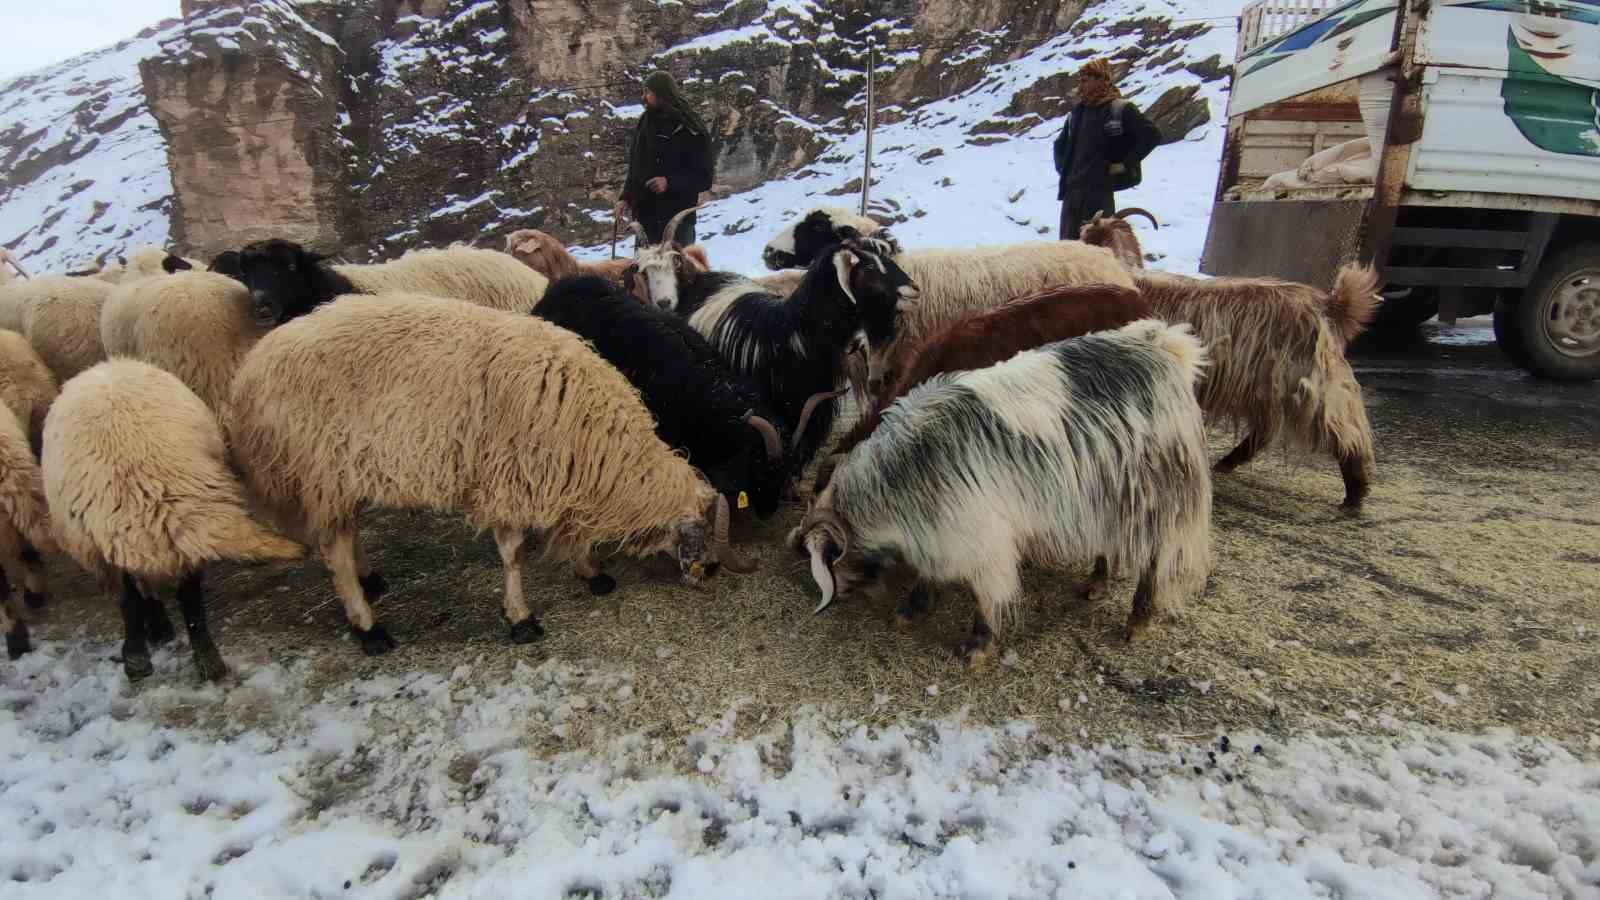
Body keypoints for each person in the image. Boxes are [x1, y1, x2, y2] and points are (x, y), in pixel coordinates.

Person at [1053, 59, 1162, 240]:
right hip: (1072, 194)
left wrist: (1124, 164)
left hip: (1099, 192)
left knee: (1096, 249)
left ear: (1101, 80)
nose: (1081, 84)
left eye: (1086, 79)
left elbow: (1151, 135)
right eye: (1081, 79)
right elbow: (1059, 146)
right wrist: (1065, 170)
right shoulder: (1076, 114)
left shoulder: (1119, 109)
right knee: (1067, 251)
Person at [616, 71, 714, 247]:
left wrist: (668, 182)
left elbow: (704, 179)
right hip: (646, 221)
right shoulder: (645, 122)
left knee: (677, 274)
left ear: (662, 95)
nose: (644, 97)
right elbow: (636, 168)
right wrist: (625, 197)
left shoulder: (690, 127)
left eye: (649, 93)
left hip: (678, 224)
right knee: (643, 274)